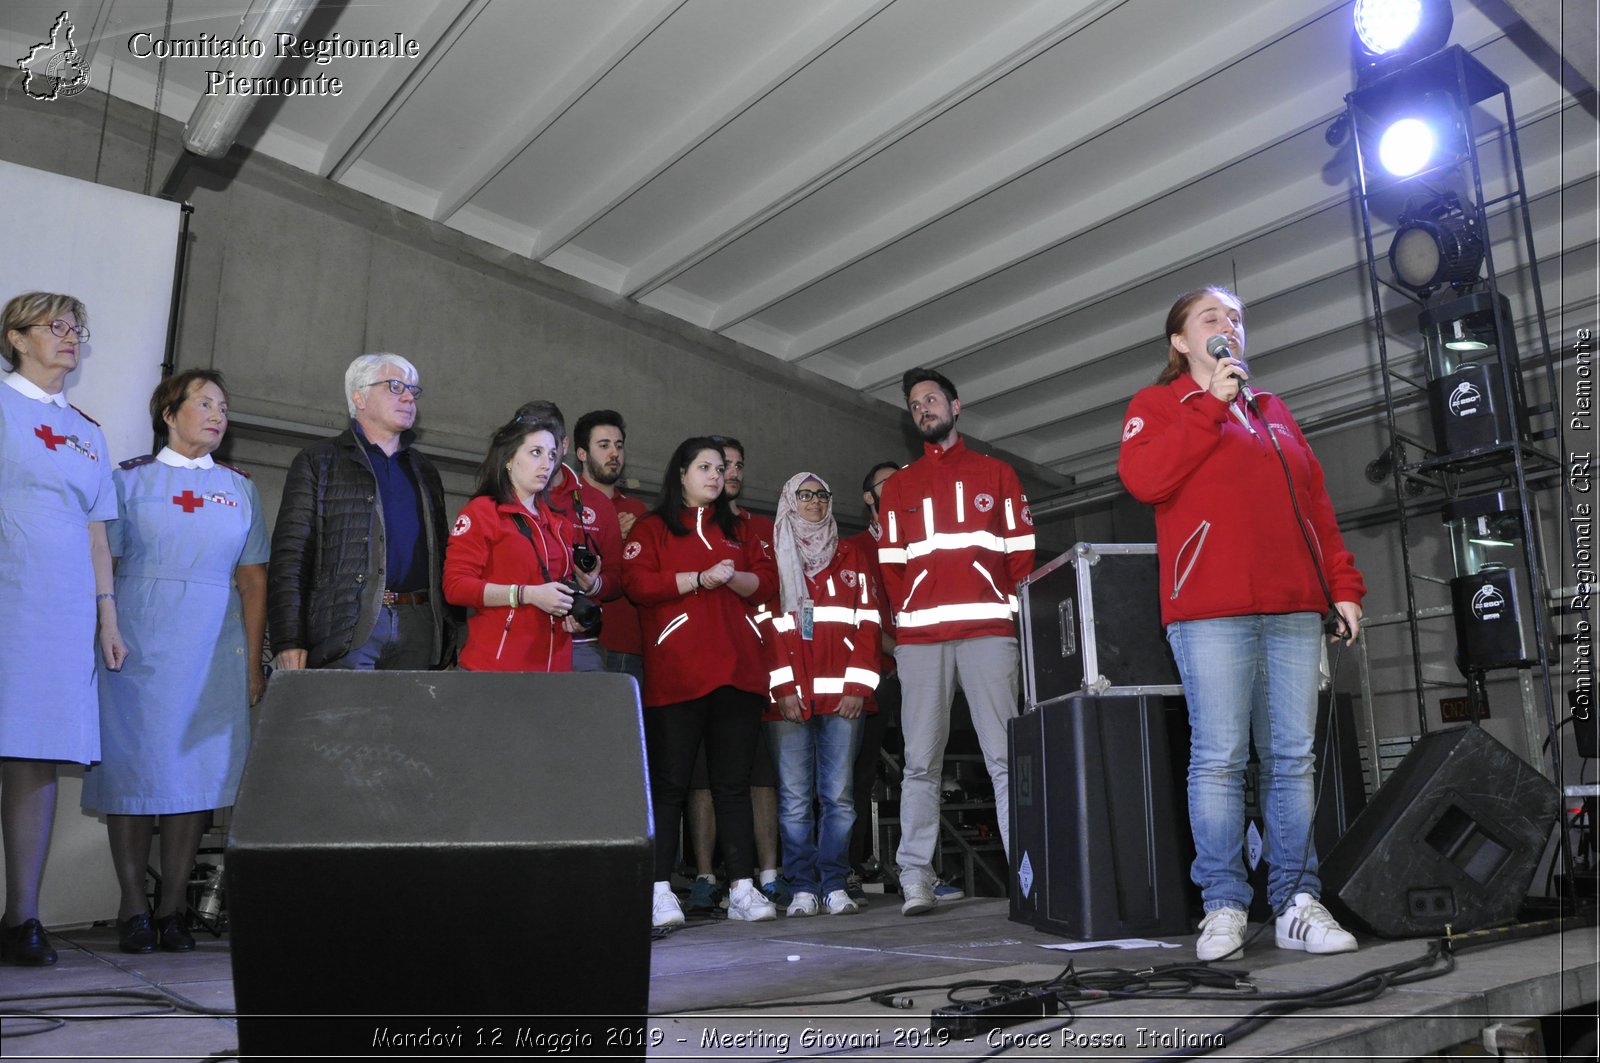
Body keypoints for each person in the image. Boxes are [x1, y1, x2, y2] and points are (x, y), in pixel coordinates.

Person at [1118, 286, 1365, 962]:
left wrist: (1341, 585)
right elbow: (1144, 479)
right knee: (1220, 759)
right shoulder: (1160, 406)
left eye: (1235, 317)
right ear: (1179, 340)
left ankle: (1295, 901)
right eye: (1210, 317)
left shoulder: (1273, 409)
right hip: (1208, 609)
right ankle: (1224, 903)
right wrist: (1209, 407)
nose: (1228, 325)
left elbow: (1315, 504)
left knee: (1291, 758)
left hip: (1290, 606)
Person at [81, 370, 268, 954]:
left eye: (224, 407)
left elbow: (254, 580)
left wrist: (254, 663)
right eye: (204, 403)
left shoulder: (241, 489)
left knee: (195, 778)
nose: (217, 414)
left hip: (215, 649)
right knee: (134, 775)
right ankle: (133, 904)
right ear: (170, 412)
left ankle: (172, 910)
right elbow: (99, 567)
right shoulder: (126, 482)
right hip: (137, 647)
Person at [877, 368, 1034, 916]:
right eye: (914, 405)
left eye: (931, 400)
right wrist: (913, 614)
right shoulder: (897, 487)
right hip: (921, 641)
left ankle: (1027, 873)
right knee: (921, 762)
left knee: (1004, 758)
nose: (923, 409)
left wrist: (1003, 606)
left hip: (989, 633)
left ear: (956, 406)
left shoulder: (997, 473)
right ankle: (915, 876)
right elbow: (891, 568)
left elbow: (1022, 556)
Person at [0, 292, 125, 966]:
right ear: (16, 338)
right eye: (57, 325)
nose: (71, 335)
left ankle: (20, 916)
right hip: (4, 595)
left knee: (33, 751)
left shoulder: (87, 430)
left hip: (61, 610)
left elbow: (97, 533)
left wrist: (107, 615)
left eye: (78, 326)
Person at [621, 437, 778, 928]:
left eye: (722, 467)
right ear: (682, 473)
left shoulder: (742, 529)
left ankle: (743, 888)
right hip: (678, 678)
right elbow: (638, 584)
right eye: (706, 467)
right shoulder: (651, 529)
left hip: (739, 674)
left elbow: (768, 583)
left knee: (732, 785)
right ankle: (658, 890)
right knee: (669, 786)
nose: (717, 474)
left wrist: (728, 576)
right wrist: (695, 578)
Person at [268, 353, 453, 672]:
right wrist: (288, 640)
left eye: (412, 389)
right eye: (395, 386)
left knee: (410, 723)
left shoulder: (425, 471)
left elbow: (446, 560)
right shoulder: (318, 461)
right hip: (347, 629)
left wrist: (451, 637)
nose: (409, 396)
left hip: (419, 627)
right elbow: (291, 557)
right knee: (343, 721)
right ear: (359, 396)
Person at [760, 473, 879, 917]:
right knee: (793, 799)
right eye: (805, 495)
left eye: (822, 495)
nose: (814, 503)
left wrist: (857, 687)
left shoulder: (850, 555)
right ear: (789, 501)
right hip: (788, 702)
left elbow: (868, 625)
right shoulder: (772, 557)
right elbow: (767, 631)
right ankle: (802, 887)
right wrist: (784, 689)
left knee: (839, 798)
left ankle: (833, 883)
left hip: (843, 701)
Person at [443, 409, 601, 672]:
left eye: (552, 455)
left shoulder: (559, 523)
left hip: (553, 668)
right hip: (497, 668)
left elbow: (556, 588)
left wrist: (571, 610)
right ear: (509, 458)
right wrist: (526, 594)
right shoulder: (483, 512)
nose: (546, 464)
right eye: (535, 452)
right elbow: (455, 586)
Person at [840, 460, 903, 906]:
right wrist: (900, 650)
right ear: (868, 498)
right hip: (873, 673)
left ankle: (914, 865)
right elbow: (860, 619)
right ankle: (849, 861)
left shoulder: (916, 544)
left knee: (915, 766)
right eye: (888, 484)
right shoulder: (854, 548)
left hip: (913, 672)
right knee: (856, 772)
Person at [573, 410, 649, 683]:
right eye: (603, 446)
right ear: (581, 453)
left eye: (618, 445)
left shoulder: (637, 510)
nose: (614, 453)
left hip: (628, 644)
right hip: (576, 640)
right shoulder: (563, 503)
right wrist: (611, 535)